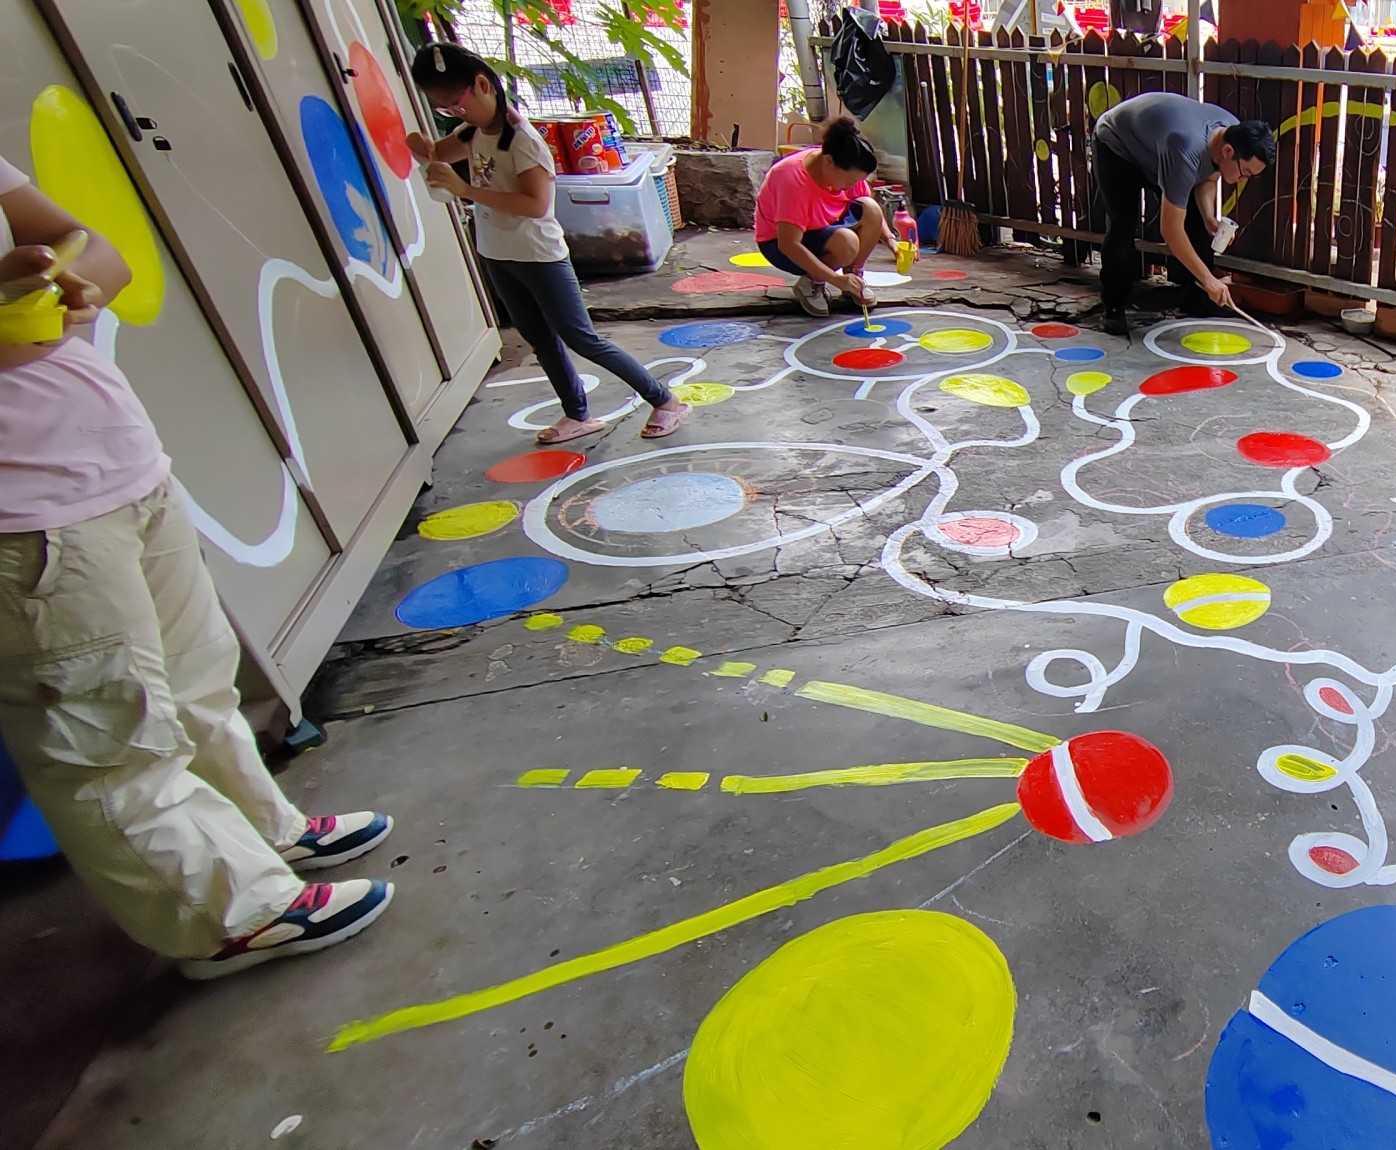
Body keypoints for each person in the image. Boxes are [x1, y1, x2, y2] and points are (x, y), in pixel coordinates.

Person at [0, 159, 396, 981]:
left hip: (119, 464)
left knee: (196, 680)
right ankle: (223, 917)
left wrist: (73, 283)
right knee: (107, 733)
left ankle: (265, 834)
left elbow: (98, 252)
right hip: (25, 512)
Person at [406, 43, 688, 444]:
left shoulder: (522, 141)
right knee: (539, 339)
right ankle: (577, 414)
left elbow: (536, 205)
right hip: (498, 254)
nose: (454, 113)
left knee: (581, 338)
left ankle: (665, 401)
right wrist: (424, 150)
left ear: (482, 85)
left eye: (455, 104)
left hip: (539, 257)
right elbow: (438, 152)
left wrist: (466, 189)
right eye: (443, 109)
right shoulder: (472, 132)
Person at [1090, 92, 1277, 335]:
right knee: (1122, 224)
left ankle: (1196, 296)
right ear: (1229, 152)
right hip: (1117, 145)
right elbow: (1170, 230)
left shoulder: (1230, 131)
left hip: (1157, 147)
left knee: (1198, 222)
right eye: (1245, 173)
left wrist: (1209, 216)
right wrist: (1211, 279)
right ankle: (1113, 305)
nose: (1244, 180)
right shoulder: (1185, 149)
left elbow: (1209, 175)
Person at [752, 117, 888, 318]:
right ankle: (813, 282)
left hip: (824, 228)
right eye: (850, 180)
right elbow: (788, 244)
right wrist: (834, 278)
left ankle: (853, 277)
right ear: (828, 161)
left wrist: (891, 240)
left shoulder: (841, 165)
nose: (852, 185)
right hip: (780, 244)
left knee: (870, 207)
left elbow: (872, 212)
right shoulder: (791, 178)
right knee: (846, 242)